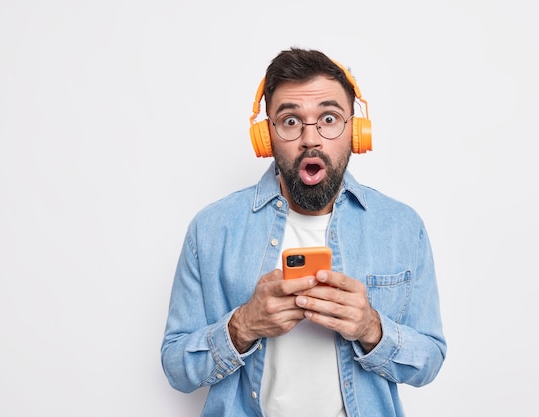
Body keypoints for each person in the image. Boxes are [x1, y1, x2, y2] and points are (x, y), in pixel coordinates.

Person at [161, 47, 447, 417]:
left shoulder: (401, 227)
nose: (311, 139)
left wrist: (371, 328)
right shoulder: (212, 229)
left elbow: (430, 360)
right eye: (291, 121)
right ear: (267, 136)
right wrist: (242, 325)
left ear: (356, 133)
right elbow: (175, 367)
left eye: (329, 118)